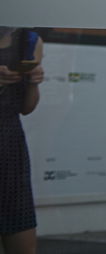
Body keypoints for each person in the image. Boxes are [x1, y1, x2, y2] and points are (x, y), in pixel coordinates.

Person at [0, 28, 43, 254]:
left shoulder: (29, 40)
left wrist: (34, 82)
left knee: (21, 235)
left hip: (10, 145)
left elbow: (26, 107)